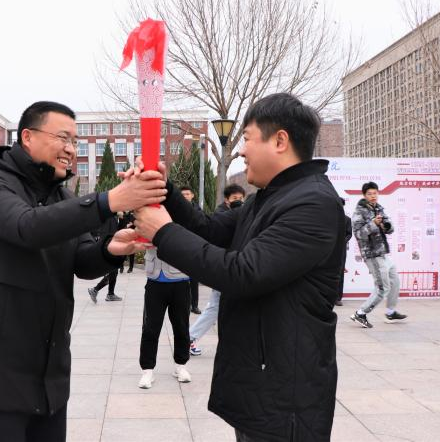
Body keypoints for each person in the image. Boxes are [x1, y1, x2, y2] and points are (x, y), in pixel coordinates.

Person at [134, 93, 346, 441]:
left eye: (247, 138)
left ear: (280, 141)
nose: (242, 151)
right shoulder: (268, 198)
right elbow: (208, 229)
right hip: (261, 382)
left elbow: (242, 273)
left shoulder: (312, 204)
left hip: (286, 394)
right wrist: (165, 188)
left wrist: (162, 232)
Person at [0, 101, 164, 442]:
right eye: (63, 138)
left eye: (75, 141)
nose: (70, 149)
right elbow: (27, 227)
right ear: (27, 137)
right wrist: (110, 200)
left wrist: (110, 249)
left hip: (49, 368)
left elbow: (81, 260)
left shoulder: (61, 194)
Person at [188, 189, 245, 356]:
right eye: (235, 198)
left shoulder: (239, 214)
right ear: (227, 200)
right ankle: (190, 337)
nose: (238, 201)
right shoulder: (222, 216)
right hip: (225, 268)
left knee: (222, 307)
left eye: (241, 198)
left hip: (231, 267)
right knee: (215, 307)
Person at [350, 182, 407, 328]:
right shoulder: (359, 212)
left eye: (375, 193)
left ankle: (390, 312)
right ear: (364, 195)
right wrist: (373, 224)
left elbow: (390, 229)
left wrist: (385, 225)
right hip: (372, 253)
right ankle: (361, 313)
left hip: (383, 252)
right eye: (369, 194)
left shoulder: (379, 208)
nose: (373, 196)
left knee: (395, 281)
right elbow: (359, 234)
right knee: (382, 288)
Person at [138, 249, 192, 388]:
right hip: (154, 280)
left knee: (181, 326)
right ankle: (147, 370)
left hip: (180, 279)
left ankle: (181, 365)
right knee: (150, 328)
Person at [89, 213, 125, 302]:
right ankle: (96, 290)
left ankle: (110, 294)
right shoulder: (110, 218)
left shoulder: (114, 218)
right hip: (109, 247)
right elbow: (106, 234)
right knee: (113, 271)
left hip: (111, 246)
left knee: (113, 272)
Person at [179, 186, 202, 314]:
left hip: (194, 247)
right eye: (182, 194)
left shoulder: (198, 210)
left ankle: (195, 305)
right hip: (181, 246)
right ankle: (185, 304)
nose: (185, 196)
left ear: (192, 195)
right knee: (182, 279)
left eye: (187, 194)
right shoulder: (176, 210)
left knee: (194, 278)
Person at [335, 199, 353, 306]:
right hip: (328, 250)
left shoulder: (347, 219)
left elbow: (349, 234)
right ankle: (327, 297)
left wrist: (341, 241)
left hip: (341, 250)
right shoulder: (329, 219)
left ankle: (338, 298)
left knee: (340, 273)